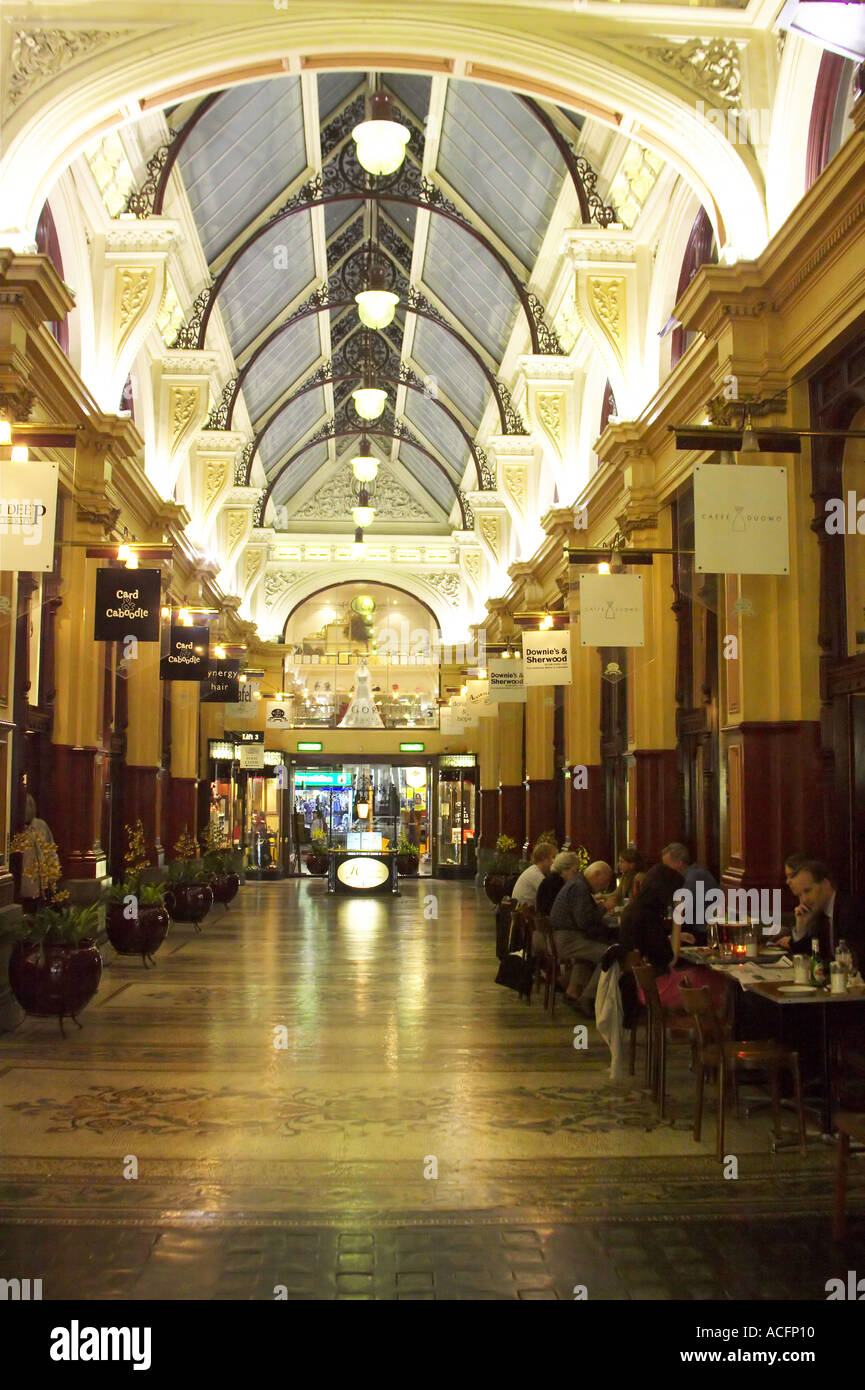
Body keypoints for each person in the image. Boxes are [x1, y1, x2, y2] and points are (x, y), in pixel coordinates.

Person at [618, 862, 727, 1013]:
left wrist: (671, 937)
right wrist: (678, 917)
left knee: (701, 976)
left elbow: (646, 942)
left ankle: (709, 1026)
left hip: (644, 986)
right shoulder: (647, 916)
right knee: (719, 981)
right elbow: (671, 959)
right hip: (658, 988)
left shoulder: (633, 911)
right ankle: (714, 1029)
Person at [549, 856, 614, 1015]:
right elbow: (584, 922)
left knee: (592, 953)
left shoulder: (577, 884)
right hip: (568, 940)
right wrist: (604, 907)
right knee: (610, 955)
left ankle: (573, 992)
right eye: (605, 882)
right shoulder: (579, 887)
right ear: (596, 874)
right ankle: (588, 998)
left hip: (563, 937)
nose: (604, 887)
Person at [786, 860, 865, 967]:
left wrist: (816, 965)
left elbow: (851, 962)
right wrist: (802, 927)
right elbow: (803, 957)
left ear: (826, 884)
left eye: (807, 891)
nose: (804, 899)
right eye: (800, 895)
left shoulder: (850, 910)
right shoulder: (818, 913)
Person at [662, 842, 718, 945]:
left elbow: (681, 908)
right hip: (695, 928)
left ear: (679, 863)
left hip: (704, 934)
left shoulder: (695, 876)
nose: (665, 870)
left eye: (667, 865)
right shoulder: (688, 876)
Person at [17, 795, 57, 910]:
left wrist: (52, 875)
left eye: (30, 805)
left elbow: (51, 852)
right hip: (23, 886)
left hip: (41, 885)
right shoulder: (16, 828)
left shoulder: (41, 826)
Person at [601, 845, 645, 913]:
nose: (618, 865)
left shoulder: (639, 877)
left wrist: (617, 909)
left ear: (632, 865)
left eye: (622, 862)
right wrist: (600, 897)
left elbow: (635, 904)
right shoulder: (625, 877)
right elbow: (616, 894)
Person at [511, 842, 556, 909]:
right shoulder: (536, 875)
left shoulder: (533, 870)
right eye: (553, 857)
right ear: (544, 858)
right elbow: (551, 897)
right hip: (525, 915)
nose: (554, 861)